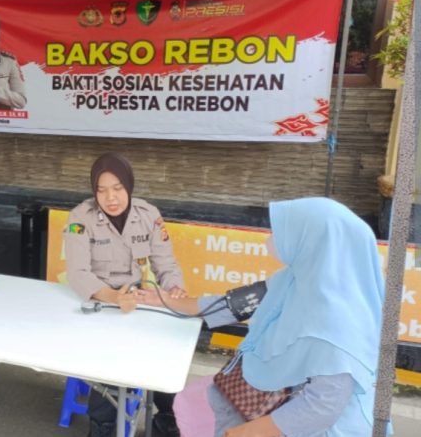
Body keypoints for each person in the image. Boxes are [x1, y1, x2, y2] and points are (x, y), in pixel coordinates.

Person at [145, 197, 384, 437]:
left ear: (313, 242)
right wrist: (163, 300)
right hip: (256, 408)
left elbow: (321, 407)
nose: (271, 238)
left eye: (283, 232)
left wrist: (241, 433)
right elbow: (231, 305)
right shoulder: (293, 281)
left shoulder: (339, 322)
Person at [64, 152, 186, 437]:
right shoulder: (81, 217)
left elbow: (165, 263)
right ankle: (104, 428)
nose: (111, 198)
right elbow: (78, 273)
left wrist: (174, 288)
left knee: (167, 367)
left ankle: (167, 421)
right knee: (110, 378)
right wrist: (112, 297)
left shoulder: (149, 215)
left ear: (128, 186)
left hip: (139, 302)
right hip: (100, 304)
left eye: (117, 188)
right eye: (102, 190)